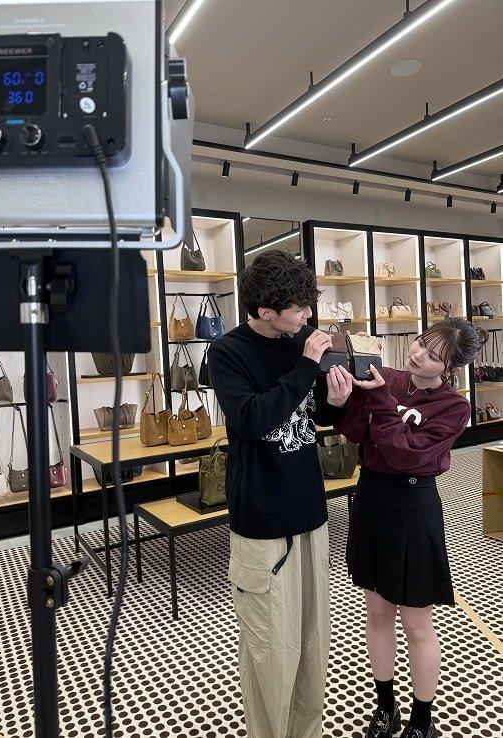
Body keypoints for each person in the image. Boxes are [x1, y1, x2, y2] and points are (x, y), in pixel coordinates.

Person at [207, 249, 354, 738]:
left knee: (313, 644)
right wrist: (307, 366)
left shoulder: (299, 343)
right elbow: (252, 421)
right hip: (262, 517)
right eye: (298, 308)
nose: (308, 315)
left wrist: (336, 402)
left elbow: (312, 416)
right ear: (265, 311)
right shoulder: (227, 352)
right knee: (271, 649)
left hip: (310, 510)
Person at [336, 318, 488, 738]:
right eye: (421, 343)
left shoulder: (455, 407)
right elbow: (354, 432)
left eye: (433, 355)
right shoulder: (387, 377)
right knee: (377, 613)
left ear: (450, 369)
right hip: (372, 497)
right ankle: (385, 707)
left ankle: (422, 721)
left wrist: (380, 400)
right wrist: (348, 397)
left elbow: (406, 454)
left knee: (417, 624)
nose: (418, 354)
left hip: (413, 503)